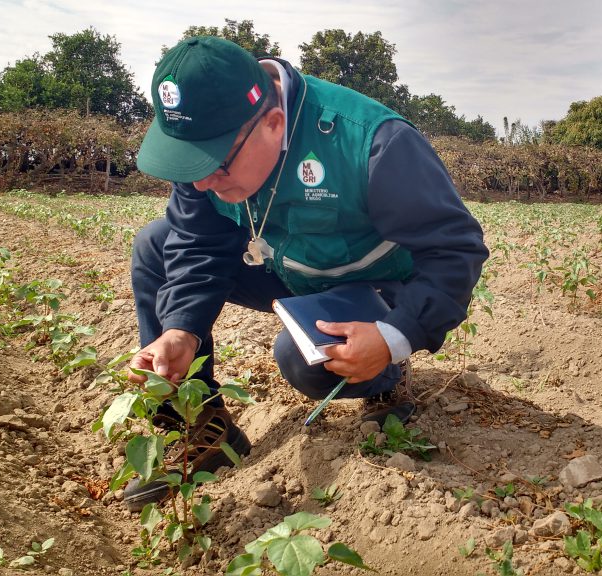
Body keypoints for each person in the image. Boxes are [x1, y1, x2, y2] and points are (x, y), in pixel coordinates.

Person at [122, 36, 488, 510]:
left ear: (273, 124)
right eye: (187, 163)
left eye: (213, 165)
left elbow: (454, 250)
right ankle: (204, 428)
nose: (199, 182)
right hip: (284, 268)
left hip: (372, 286)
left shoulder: (374, 142)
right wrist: (180, 331)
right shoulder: (209, 144)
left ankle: (387, 376)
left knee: (303, 360)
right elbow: (197, 242)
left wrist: (394, 334)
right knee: (157, 243)